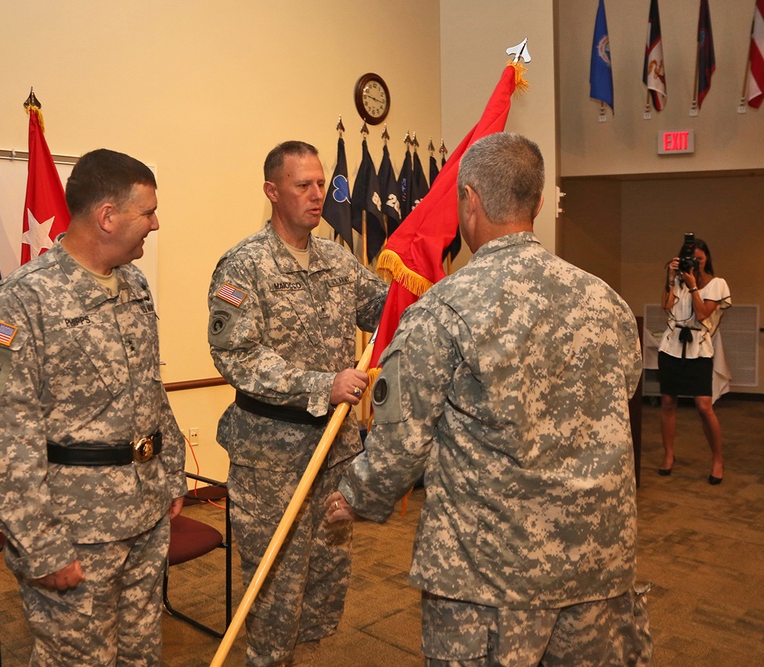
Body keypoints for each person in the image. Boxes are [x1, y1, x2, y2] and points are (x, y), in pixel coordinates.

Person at [326, 133, 649, 666]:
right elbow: (623, 391)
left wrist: (358, 497)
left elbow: (401, 439)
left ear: (468, 200)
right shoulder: (605, 300)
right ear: (539, 204)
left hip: (490, 576)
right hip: (598, 564)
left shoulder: (443, 309)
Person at [0, 149, 187, 666]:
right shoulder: (21, 301)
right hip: (76, 528)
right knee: (78, 659)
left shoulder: (134, 285)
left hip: (146, 509)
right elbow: (5, 436)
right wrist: (39, 543)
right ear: (107, 216)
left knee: (141, 653)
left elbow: (147, 389)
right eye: (148, 212)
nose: (155, 224)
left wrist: (172, 470)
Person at [207, 140, 387, 666]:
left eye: (321, 183)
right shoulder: (244, 266)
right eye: (302, 185)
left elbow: (380, 309)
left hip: (335, 452)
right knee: (275, 592)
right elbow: (235, 355)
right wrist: (320, 385)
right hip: (272, 459)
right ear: (272, 191)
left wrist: (412, 282)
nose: (317, 194)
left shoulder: (336, 257)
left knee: (323, 584)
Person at [657, 237, 731, 484]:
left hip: (699, 349)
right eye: (691, 259)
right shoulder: (677, 282)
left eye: (700, 259)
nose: (695, 263)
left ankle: (717, 459)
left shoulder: (717, 284)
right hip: (671, 347)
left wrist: (693, 287)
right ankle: (669, 455)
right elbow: (666, 306)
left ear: (707, 259)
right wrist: (671, 278)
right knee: (667, 402)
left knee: (703, 406)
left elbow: (701, 314)